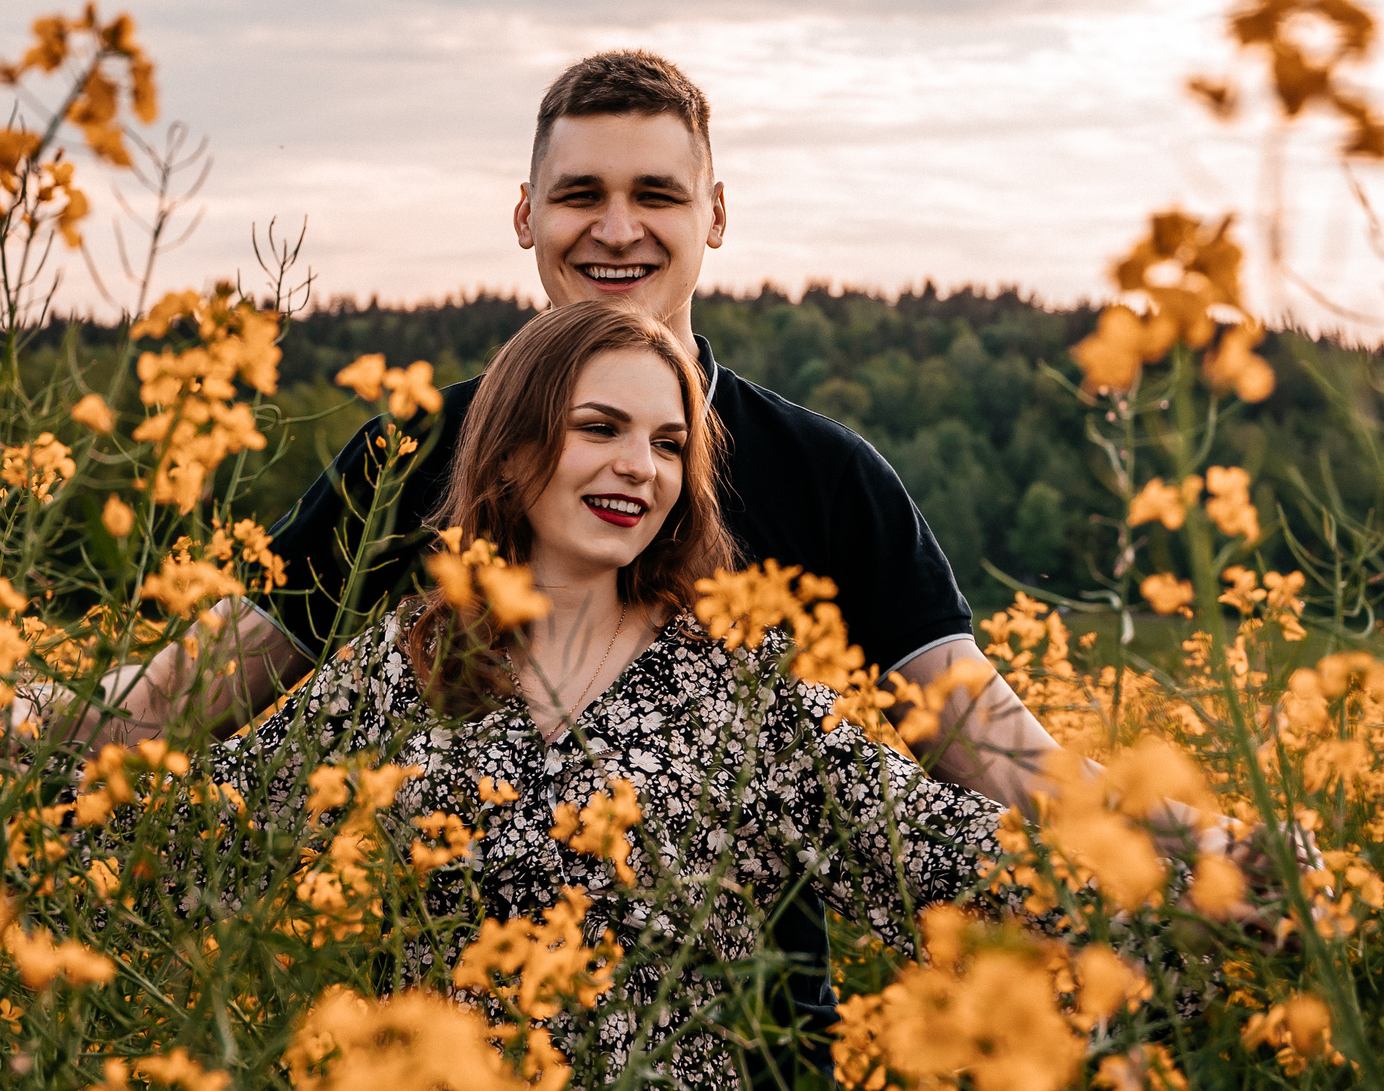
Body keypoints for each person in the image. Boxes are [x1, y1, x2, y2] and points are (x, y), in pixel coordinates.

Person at [198, 301, 1010, 1088]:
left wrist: (1121, 841)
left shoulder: (744, 688)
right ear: (511, 451)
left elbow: (947, 860)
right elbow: (209, 840)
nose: (639, 465)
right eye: (599, 427)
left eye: (668, 443)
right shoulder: (409, 660)